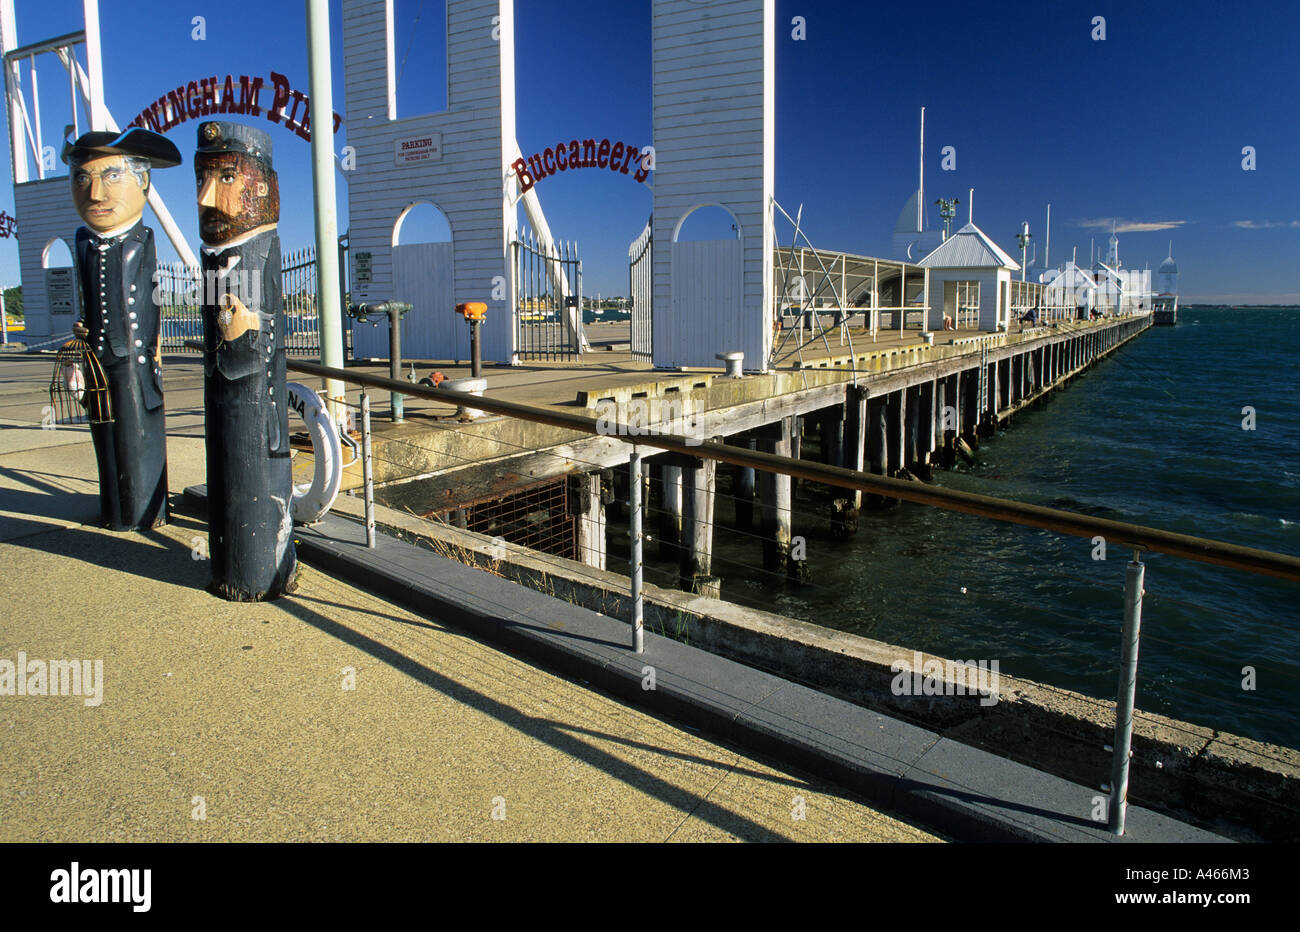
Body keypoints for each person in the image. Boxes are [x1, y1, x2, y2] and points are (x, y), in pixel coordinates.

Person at [195, 121, 296, 601]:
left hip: (256, 408)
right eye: (202, 180)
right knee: (223, 478)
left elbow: (278, 327)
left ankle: (259, 572)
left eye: (227, 179)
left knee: (253, 490)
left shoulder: (263, 249)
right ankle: (229, 567)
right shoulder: (212, 258)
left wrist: (253, 324)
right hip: (220, 396)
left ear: (265, 187)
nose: (207, 198)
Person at [65, 127, 181, 530]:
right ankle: (114, 509)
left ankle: (143, 510)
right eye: (83, 178)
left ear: (143, 182)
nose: (95, 193)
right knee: (104, 437)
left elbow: (149, 306)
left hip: (132, 361)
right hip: (97, 356)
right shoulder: (83, 243)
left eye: (111, 176)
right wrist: (83, 331)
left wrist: (150, 352)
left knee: (136, 437)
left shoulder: (140, 240)